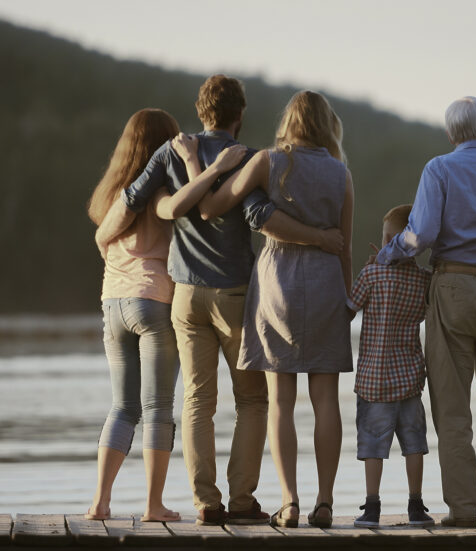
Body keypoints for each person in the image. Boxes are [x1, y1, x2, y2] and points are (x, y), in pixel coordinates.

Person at [96, 75, 345, 526]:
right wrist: (321, 239)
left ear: (200, 109)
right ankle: (243, 500)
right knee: (252, 400)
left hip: (185, 293)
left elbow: (136, 198)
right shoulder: (247, 158)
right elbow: (257, 215)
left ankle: (205, 502)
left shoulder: (171, 151)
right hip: (235, 291)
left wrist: (104, 234)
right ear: (240, 114)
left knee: (196, 399)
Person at [193, 90, 353, 529]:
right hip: (325, 283)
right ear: (326, 124)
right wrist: (347, 299)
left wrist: (205, 171)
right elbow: (345, 246)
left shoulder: (267, 161)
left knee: (281, 401)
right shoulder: (341, 174)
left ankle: (290, 502)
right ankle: (325, 502)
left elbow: (213, 207)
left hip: (277, 279)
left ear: (290, 122)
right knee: (326, 401)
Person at [376, 96, 476, 526]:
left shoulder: (439, 169)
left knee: (452, 409)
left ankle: (465, 510)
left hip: (453, 287)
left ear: (451, 134)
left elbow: (422, 233)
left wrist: (387, 254)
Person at [85, 108, 182, 522]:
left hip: (113, 303)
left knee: (122, 406)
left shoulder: (113, 192)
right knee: (158, 407)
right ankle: (153, 506)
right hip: (155, 299)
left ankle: (100, 502)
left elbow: (102, 237)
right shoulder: (165, 192)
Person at [347, 204, 434, 529]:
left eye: (386, 239)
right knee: (414, 443)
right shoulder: (424, 281)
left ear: (391, 241)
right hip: (410, 378)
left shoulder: (371, 274)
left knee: (372, 445)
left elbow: (349, 309)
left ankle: (372, 508)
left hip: (373, 380)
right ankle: (415, 506)